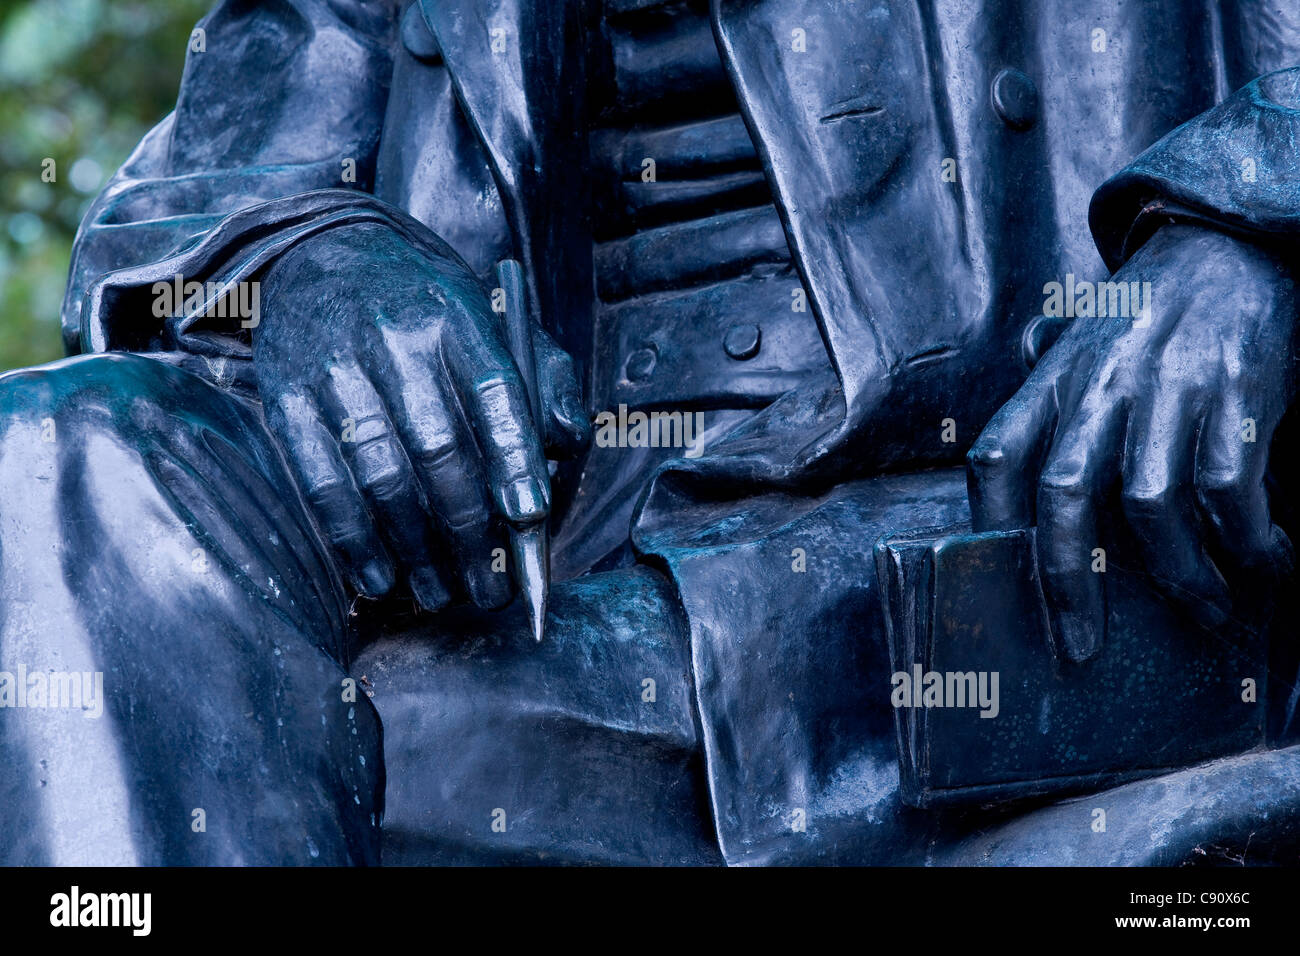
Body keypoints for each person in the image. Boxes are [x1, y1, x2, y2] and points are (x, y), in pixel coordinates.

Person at [1, 0, 1297, 864]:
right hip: (566, 589)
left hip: (1013, 552)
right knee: (66, 463)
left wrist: (1247, 217)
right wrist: (309, 260)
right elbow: (182, 223)